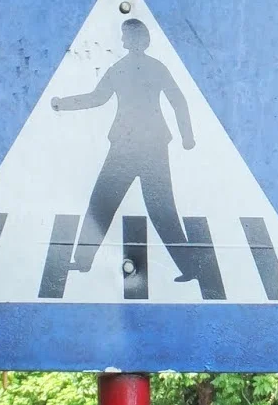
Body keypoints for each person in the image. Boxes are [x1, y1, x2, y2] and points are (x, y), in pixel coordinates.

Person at [50, 18, 199, 283]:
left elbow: (97, 99)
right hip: (146, 144)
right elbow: (178, 100)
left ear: (135, 39)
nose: (121, 41)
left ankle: (83, 262)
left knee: (107, 204)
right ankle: (84, 261)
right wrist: (186, 138)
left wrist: (62, 104)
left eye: (125, 36)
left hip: (130, 146)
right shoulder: (151, 67)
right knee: (155, 208)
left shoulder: (122, 69)